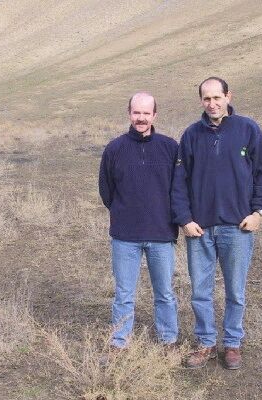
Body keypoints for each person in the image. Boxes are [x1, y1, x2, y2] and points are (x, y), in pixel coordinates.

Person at [172, 77, 262, 369]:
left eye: (217, 97)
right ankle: (205, 343)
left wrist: (258, 213)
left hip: (238, 227)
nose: (212, 103)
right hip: (199, 230)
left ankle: (232, 344)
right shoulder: (191, 135)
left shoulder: (248, 130)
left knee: (235, 290)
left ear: (228, 96)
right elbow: (179, 183)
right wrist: (185, 220)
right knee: (200, 292)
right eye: (206, 98)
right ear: (201, 101)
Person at [99, 92, 179, 348]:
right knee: (124, 295)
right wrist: (125, 212)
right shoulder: (114, 149)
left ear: (155, 115)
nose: (141, 118)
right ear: (129, 114)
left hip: (161, 234)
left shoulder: (170, 148)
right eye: (136, 113)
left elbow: (178, 188)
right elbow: (106, 191)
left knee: (164, 293)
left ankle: (168, 340)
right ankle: (119, 341)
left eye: (146, 113)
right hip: (125, 237)